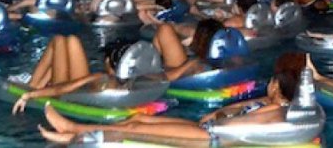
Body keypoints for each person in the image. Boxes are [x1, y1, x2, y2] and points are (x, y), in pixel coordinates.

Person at [36, 51, 307, 144]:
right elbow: (236, 110)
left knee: (134, 130)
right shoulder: (269, 104)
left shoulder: (277, 113)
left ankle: (72, 130)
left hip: (211, 139)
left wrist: (222, 118)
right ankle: (72, 133)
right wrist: (219, 114)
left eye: (273, 80)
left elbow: (240, 127)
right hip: (207, 131)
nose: (269, 83)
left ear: (277, 85)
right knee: (140, 118)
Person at [10, 36, 143, 113]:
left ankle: (33, 84)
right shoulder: (135, 80)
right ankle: (39, 81)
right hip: (85, 91)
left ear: (108, 61)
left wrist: (29, 95)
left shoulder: (100, 77)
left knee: (58, 40)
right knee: (72, 40)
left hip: (69, 95)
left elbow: (62, 88)